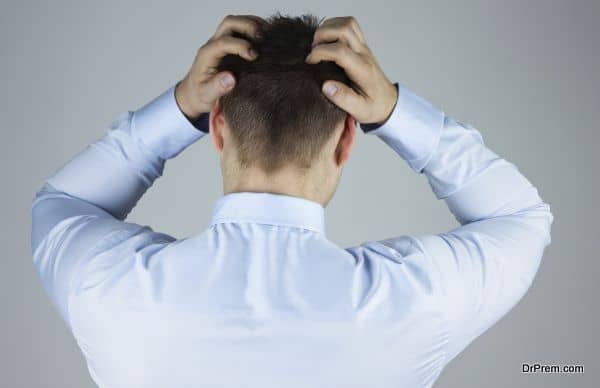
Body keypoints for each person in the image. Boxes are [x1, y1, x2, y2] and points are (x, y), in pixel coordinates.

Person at [31, 13, 553, 388]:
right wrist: (393, 112)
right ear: (348, 139)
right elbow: (519, 218)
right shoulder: (414, 301)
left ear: (217, 127)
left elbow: (63, 201)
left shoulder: (107, 288)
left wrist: (178, 108)